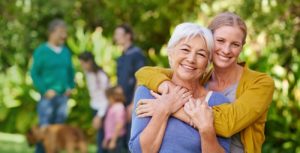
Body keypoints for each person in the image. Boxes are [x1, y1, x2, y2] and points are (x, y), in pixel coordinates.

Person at [135, 12, 274, 153]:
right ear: (210, 42)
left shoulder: (261, 83)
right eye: (220, 41)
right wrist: (170, 90)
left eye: (235, 44)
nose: (226, 50)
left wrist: (169, 107)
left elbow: (227, 125)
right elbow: (145, 73)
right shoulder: (199, 76)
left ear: (242, 47)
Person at [129, 23, 231, 153]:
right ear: (171, 54)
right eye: (185, 50)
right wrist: (164, 109)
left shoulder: (219, 103)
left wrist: (206, 130)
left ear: (207, 64)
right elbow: (140, 151)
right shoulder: (147, 91)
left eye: (201, 54)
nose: (191, 59)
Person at [30, 19, 75, 153]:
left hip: (62, 99)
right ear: (52, 33)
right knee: (44, 132)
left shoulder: (66, 51)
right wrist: (44, 90)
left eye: (65, 33)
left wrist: (70, 86)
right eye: (61, 32)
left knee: (58, 133)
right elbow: (34, 73)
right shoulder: (41, 51)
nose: (64, 36)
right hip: (47, 99)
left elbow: (70, 72)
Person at [113, 24, 146, 150]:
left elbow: (140, 78)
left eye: (118, 34)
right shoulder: (122, 56)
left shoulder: (136, 54)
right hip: (122, 103)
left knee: (132, 140)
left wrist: (133, 103)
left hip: (133, 103)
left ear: (128, 36)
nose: (116, 38)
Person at [78, 51, 110, 153]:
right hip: (95, 107)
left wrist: (100, 115)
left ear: (90, 62)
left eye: (84, 63)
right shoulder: (88, 74)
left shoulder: (100, 75)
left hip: (103, 110)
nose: (82, 66)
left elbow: (107, 97)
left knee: (103, 137)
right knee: (99, 137)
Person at [103, 86, 127, 153]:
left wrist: (113, 140)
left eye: (108, 98)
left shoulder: (119, 107)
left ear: (112, 97)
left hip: (117, 139)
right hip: (111, 138)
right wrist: (106, 139)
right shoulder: (112, 107)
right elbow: (109, 125)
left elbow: (119, 124)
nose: (107, 101)